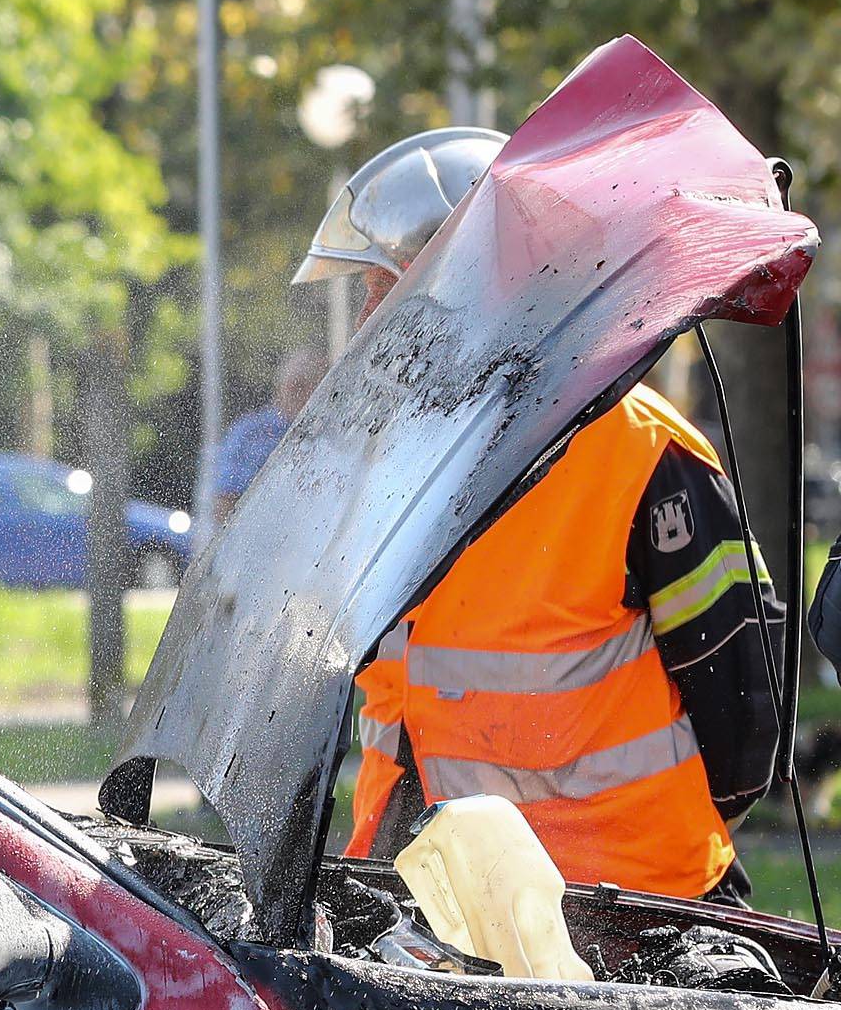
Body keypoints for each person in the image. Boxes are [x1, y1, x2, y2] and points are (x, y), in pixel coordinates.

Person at [299, 126, 784, 900]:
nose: (365, 324)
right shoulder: (382, 470)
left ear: (466, 284)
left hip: (636, 915)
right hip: (437, 910)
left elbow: (746, 713)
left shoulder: (640, 450)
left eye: (381, 290)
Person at [211, 349, 322, 521]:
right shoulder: (250, 433)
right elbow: (224, 503)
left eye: (310, 384)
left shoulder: (331, 434)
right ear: (281, 386)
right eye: (296, 384)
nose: (300, 391)